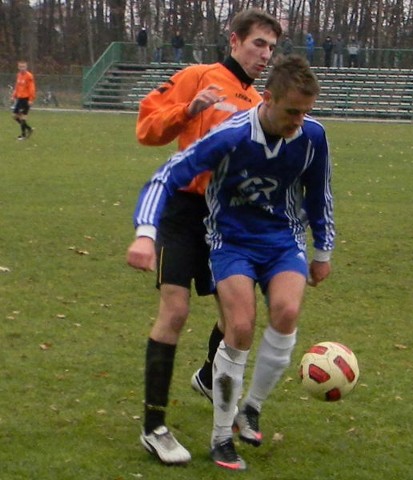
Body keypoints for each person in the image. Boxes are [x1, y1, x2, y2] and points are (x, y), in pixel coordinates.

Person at [128, 53, 334, 472]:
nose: (299, 120)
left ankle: (250, 408)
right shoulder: (232, 134)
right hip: (231, 239)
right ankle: (221, 436)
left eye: (306, 112)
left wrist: (322, 251)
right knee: (238, 326)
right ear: (269, 98)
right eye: (292, 111)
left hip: (281, 239)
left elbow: (320, 194)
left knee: (287, 310)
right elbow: (167, 174)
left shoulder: (312, 136)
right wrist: (146, 233)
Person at [131, 8, 282, 466]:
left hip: (227, 220)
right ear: (235, 40)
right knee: (175, 311)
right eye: (258, 44)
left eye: (272, 48)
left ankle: (206, 374)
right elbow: (146, 128)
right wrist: (187, 110)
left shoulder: (258, 101)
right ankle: (154, 426)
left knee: (239, 318)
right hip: (182, 210)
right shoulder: (198, 76)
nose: (265, 54)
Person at [12, 60, 36, 140]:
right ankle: (29, 129)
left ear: (26, 67)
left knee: (22, 117)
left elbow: (32, 88)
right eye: (20, 67)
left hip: (26, 99)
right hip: (19, 98)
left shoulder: (29, 76)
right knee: (15, 116)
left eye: (24, 67)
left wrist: (31, 99)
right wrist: (14, 95)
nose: (22, 68)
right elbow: (17, 86)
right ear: (18, 67)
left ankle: (23, 135)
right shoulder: (19, 75)